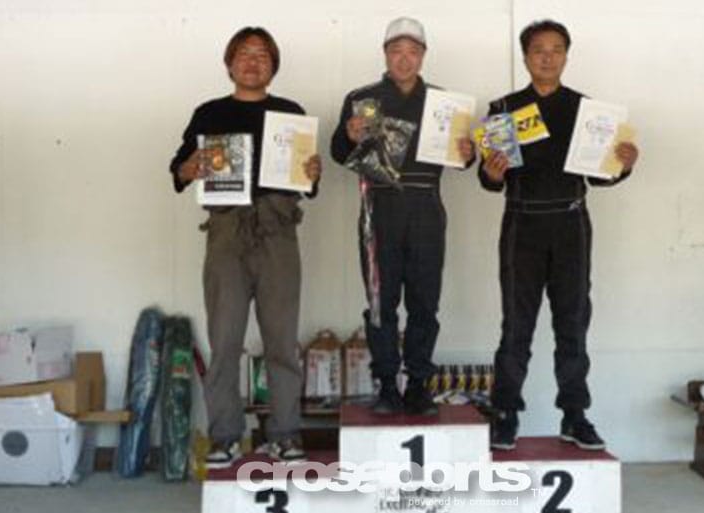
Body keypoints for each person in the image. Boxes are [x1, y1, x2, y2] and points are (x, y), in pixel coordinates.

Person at [480, 20, 639, 450]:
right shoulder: (504, 109)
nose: (547, 57)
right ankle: (505, 413)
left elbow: (600, 177)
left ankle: (574, 415)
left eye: (556, 49)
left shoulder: (587, 111)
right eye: (539, 50)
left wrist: (622, 165)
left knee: (573, 323)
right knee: (516, 325)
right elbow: (489, 181)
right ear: (525, 57)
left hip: (571, 225)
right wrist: (492, 173)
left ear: (567, 56)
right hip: (522, 225)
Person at [169, 26, 321, 467]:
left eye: (262, 55)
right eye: (244, 54)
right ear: (230, 63)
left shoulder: (290, 114)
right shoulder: (209, 113)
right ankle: (224, 436)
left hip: (278, 229)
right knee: (225, 339)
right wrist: (189, 167)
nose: (253, 62)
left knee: (281, 339)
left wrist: (312, 172)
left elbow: (308, 184)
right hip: (226, 231)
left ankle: (285, 433)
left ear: (273, 66)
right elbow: (178, 170)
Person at [331, 17, 475, 416]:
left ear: (423, 56)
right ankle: (386, 385)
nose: (404, 59)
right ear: (385, 54)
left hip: (426, 204)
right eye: (396, 50)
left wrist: (468, 153)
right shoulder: (362, 98)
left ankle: (418, 384)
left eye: (412, 51)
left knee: (425, 301)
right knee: (381, 300)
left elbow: (464, 160)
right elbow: (339, 153)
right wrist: (349, 135)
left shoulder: (443, 103)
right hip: (379, 208)